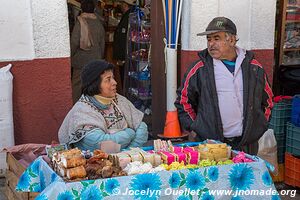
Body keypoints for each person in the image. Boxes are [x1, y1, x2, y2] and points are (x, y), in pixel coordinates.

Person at [175, 17, 273, 155]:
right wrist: (196, 127)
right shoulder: (199, 69)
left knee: (245, 176)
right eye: (209, 39)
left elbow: (268, 100)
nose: (211, 44)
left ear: (232, 40)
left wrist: (259, 126)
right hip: (211, 144)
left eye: (217, 38)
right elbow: (183, 101)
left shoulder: (254, 68)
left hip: (246, 144)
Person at [58, 60, 148, 151]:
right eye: (108, 79)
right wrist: (130, 132)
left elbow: (142, 126)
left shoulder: (118, 100)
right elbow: (101, 144)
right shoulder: (82, 110)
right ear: (95, 84)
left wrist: (129, 151)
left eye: (113, 78)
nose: (114, 82)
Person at [70, 0, 105, 103]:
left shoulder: (79, 23)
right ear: (94, 9)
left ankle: (75, 108)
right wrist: (99, 56)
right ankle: (93, 108)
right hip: (95, 61)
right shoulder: (99, 23)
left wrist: (70, 56)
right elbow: (102, 44)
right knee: (93, 87)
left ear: (81, 9)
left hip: (81, 62)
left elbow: (74, 42)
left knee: (76, 87)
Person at [112, 0, 136, 88]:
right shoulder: (129, 16)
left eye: (121, 3)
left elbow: (123, 39)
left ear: (125, 5)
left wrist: (121, 57)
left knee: (126, 78)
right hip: (128, 55)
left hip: (126, 56)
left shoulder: (128, 17)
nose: (120, 5)